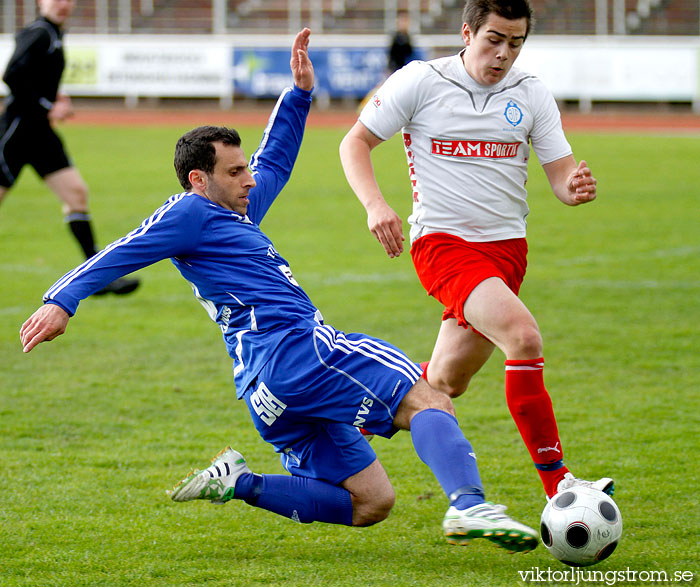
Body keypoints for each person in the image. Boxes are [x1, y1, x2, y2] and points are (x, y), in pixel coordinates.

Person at [20, 28, 538, 553]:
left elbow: (274, 163)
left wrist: (298, 95)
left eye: (244, 168)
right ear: (199, 179)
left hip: (265, 390)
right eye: (234, 170)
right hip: (297, 351)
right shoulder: (192, 212)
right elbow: (123, 250)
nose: (248, 178)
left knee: (371, 503)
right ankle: (469, 506)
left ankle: (240, 482)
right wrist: (61, 300)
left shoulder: (233, 211)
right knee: (428, 399)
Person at [339, 0, 613, 500]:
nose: (504, 53)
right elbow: (353, 142)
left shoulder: (531, 93)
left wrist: (574, 188)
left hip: (507, 253)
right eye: (494, 40)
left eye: (516, 42)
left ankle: (340, 439)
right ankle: (560, 486)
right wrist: (376, 205)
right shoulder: (421, 81)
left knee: (443, 381)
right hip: (443, 244)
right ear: (467, 32)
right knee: (524, 337)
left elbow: (559, 176)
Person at [0, 0, 139, 295]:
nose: (61, 4)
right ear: (40, 2)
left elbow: (35, 77)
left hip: (40, 135)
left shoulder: (54, 34)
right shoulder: (39, 32)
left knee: (76, 193)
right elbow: (11, 75)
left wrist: (55, 96)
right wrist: (48, 105)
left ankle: (96, 278)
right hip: (16, 134)